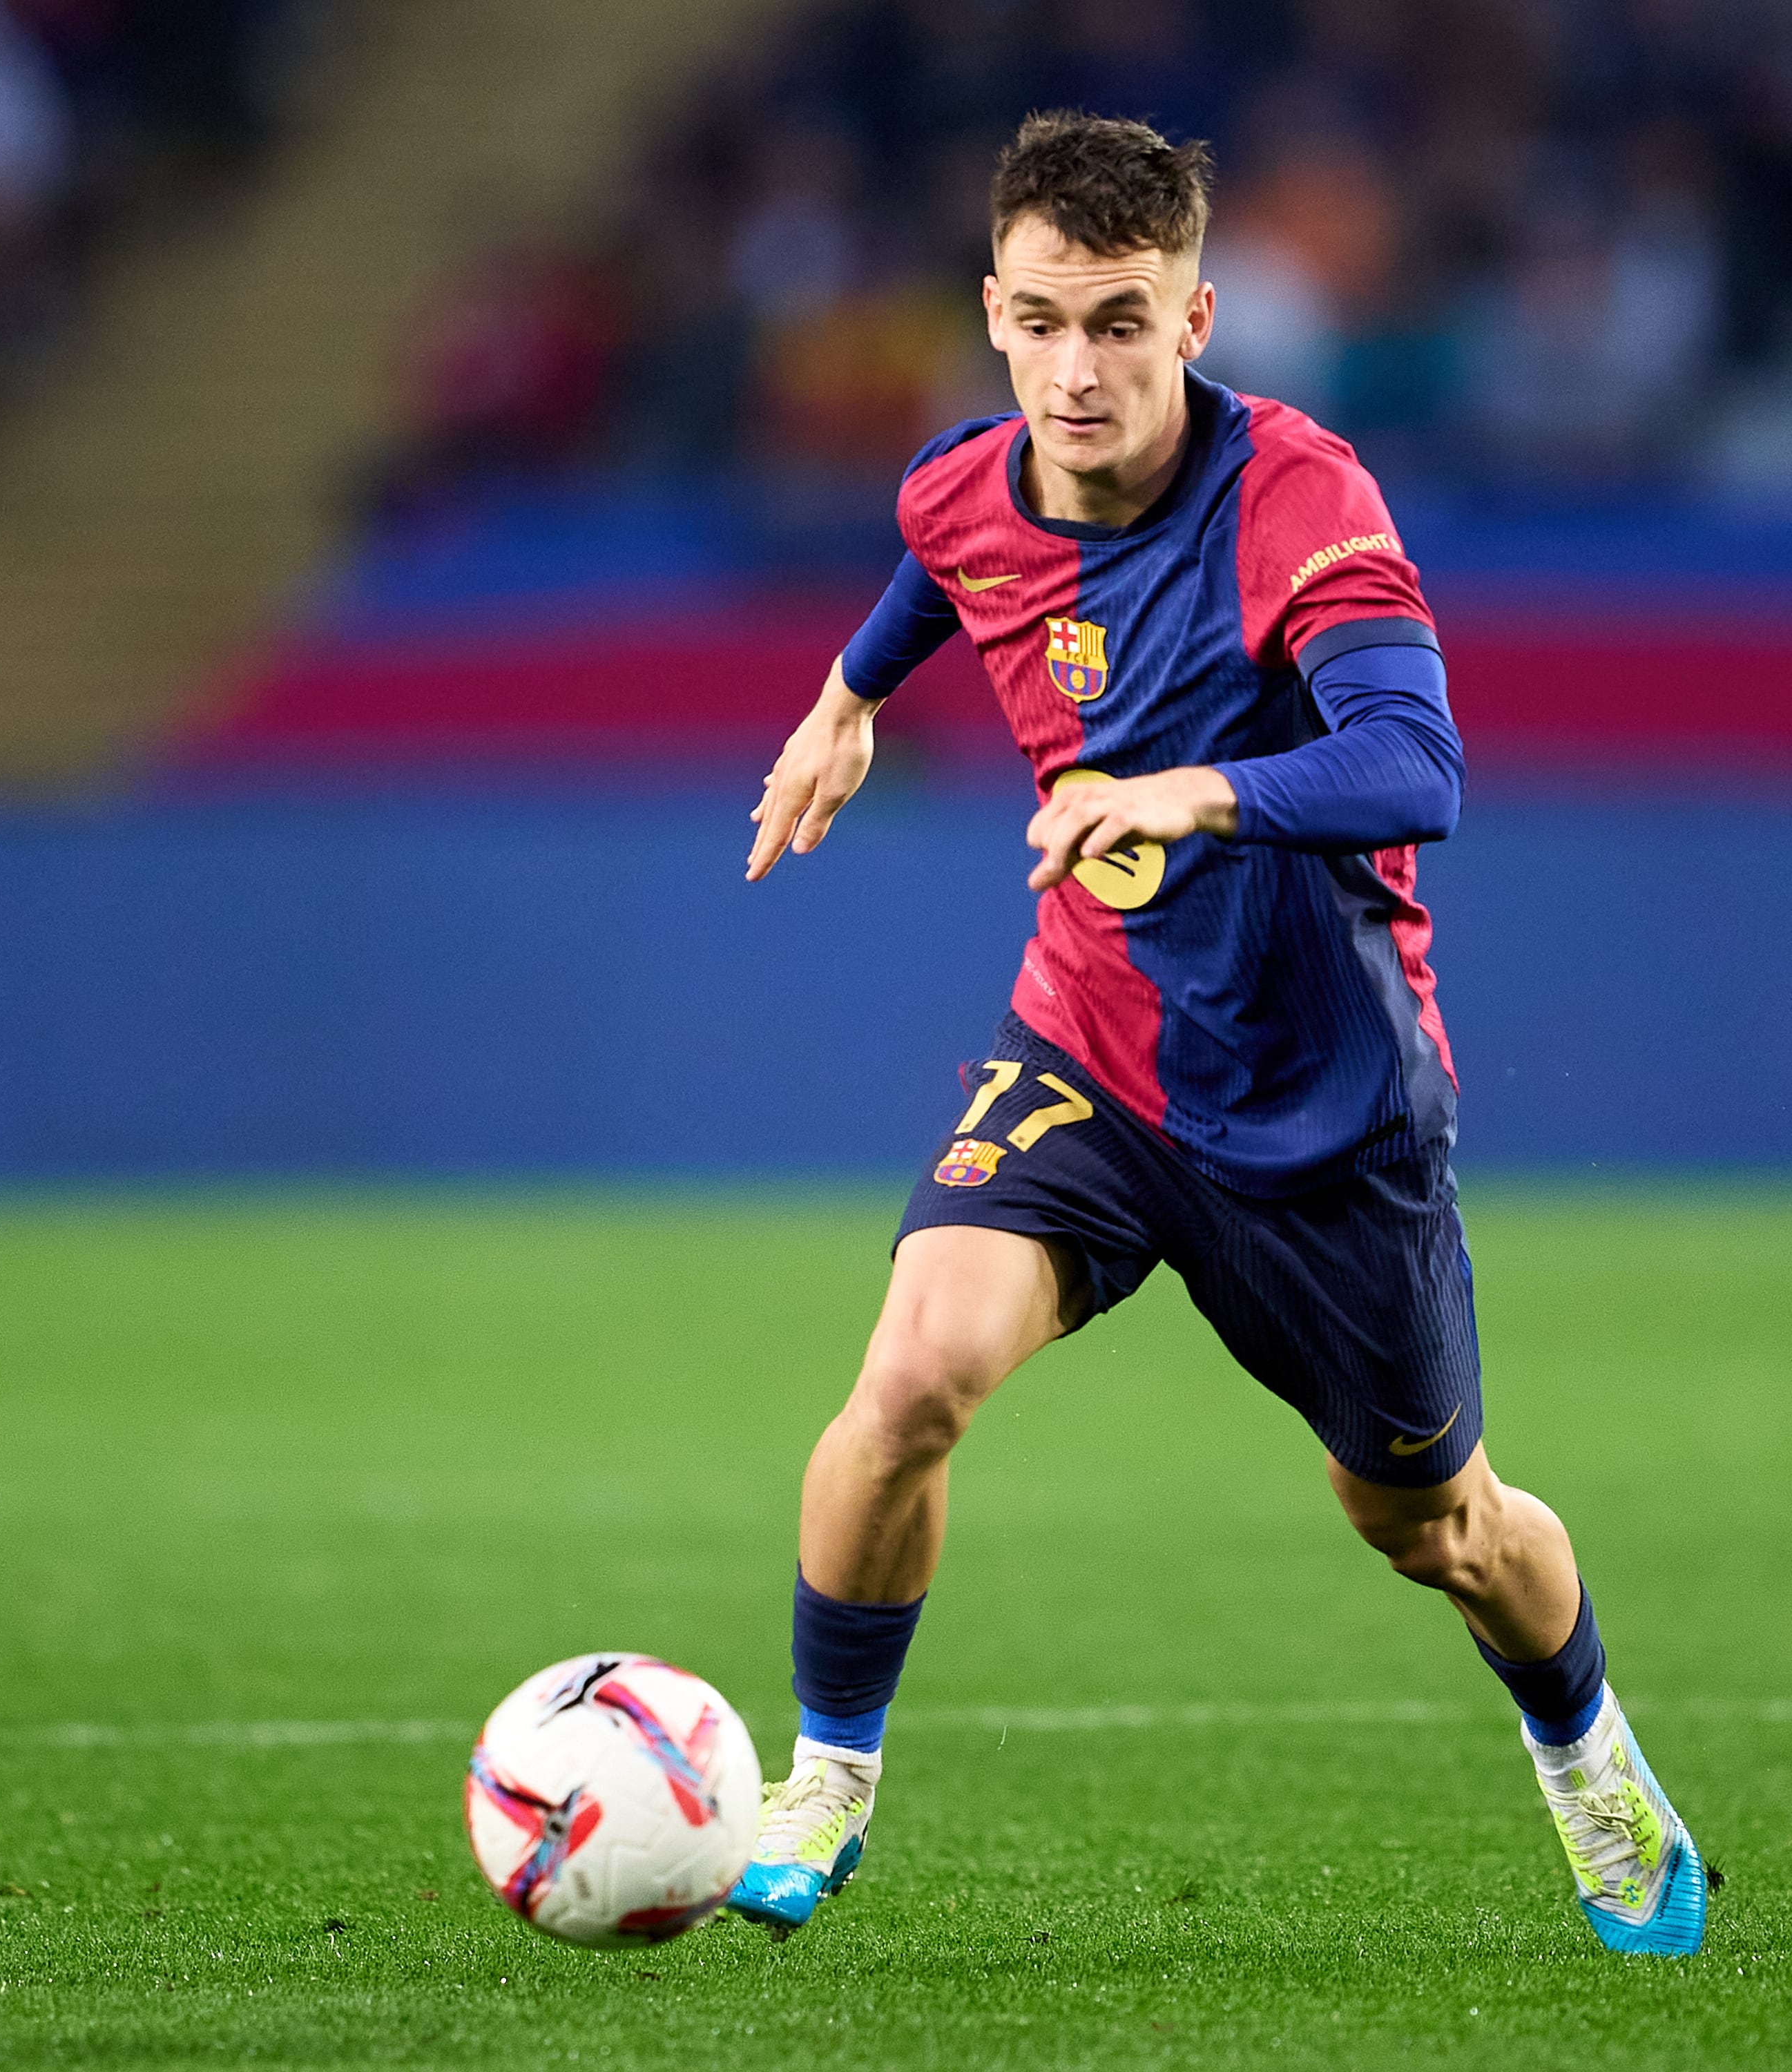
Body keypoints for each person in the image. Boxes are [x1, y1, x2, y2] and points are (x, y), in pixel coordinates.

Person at [729, 110, 1705, 1959]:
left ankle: (1583, 1751)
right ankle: (823, 1781)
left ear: (1193, 317)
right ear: (992, 316)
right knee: (910, 1380)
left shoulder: (1298, 499)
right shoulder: (958, 485)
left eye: (1116, 323)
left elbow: (1416, 765)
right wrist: (844, 703)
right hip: (1092, 1045)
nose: (1072, 370)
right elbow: (944, 570)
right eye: (1035, 322)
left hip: (1322, 1101)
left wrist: (1191, 794)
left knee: (1429, 1524)